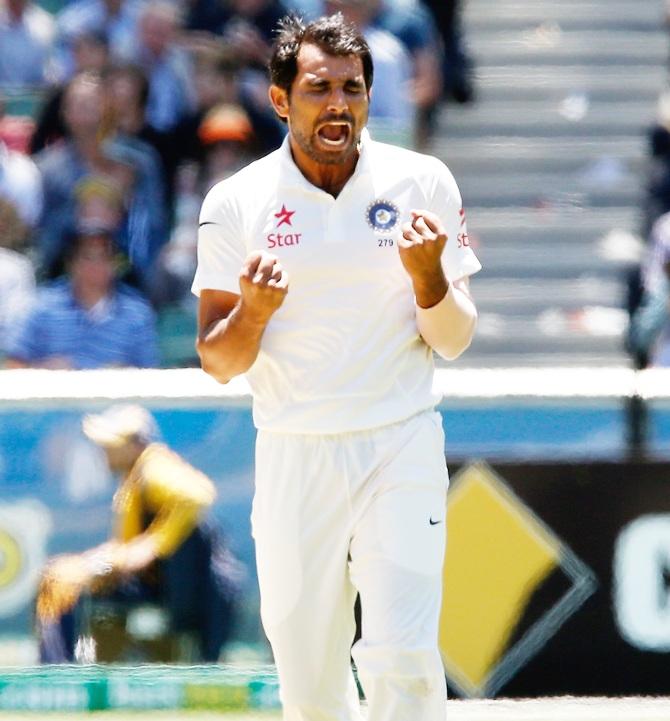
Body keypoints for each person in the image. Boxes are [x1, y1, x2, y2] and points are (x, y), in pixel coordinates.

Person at [193, 13, 480, 721]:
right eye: (319, 88)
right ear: (281, 100)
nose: (338, 104)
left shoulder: (422, 181)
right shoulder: (237, 202)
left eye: (352, 88)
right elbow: (219, 360)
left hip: (400, 442)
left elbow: (454, 339)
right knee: (309, 675)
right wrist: (254, 312)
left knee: (403, 658)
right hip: (295, 450)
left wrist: (428, 280)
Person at [36, 404, 241, 663]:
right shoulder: (136, 475)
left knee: (65, 584)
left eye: (112, 444)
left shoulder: (154, 467)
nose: (104, 451)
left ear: (135, 444)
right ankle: (60, 669)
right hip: (160, 582)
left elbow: (198, 494)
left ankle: (59, 672)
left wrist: (154, 544)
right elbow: (129, 544)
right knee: (59, 577)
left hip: (175, 587)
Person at [5, 228, 159, 369]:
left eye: (104, 257)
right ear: (71, 263)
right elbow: (14, 364)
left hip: (115, 397)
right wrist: (45, 370)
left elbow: (149, 371)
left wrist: (121, 372)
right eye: (88, 257)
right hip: (53, 395)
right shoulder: (42, 306)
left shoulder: (137, 313)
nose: (96, 265)